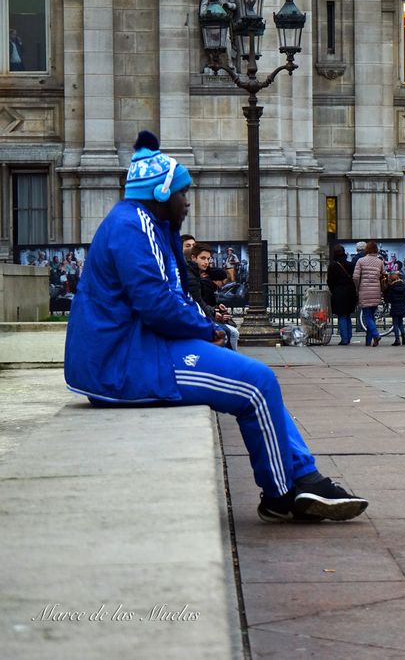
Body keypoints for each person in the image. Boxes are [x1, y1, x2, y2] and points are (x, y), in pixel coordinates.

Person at [64, 130, 368, 523]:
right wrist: (206, 329)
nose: (187, 202)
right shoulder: (134, 226)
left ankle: (305, 475)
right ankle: (280, 493)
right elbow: (157, 303)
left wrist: (204, 324)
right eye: (182, 193)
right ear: (160, 195)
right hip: (125, 364)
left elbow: (167, 297)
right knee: (256, 384)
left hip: (137, 350)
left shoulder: (145, 225)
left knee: (258, 380)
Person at [353, 240, 385, 346]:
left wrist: (357, 288)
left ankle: (376, 335)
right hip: (376, 291)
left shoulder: (361, 261)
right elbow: (383, 276)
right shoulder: (380, 261)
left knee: (367, 316)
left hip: (364, 290)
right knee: (371, 316)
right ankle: (368, 341)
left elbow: (356, 277)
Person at [326, 243, 358, 345]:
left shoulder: (332, 266)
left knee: (342, 316)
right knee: (347, 315)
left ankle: (344, 339)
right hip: (350, 292)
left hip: (338, 291)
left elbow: (330, 281)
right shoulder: (351, 265)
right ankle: (348, 336)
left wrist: (333, 290)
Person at [385, 272, 405, 345]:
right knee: (400, 323)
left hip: (395, 306)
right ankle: (403, 334)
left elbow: (389, 299)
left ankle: (397, 339)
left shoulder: (391, 287)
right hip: (402, 306)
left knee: (395, 324)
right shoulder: (403, 285)